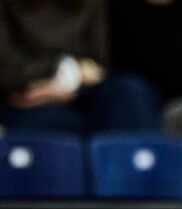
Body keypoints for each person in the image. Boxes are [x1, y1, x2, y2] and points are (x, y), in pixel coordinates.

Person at [0, 0, 160, 133]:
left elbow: (98, 62)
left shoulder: (90, 3)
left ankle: (136, 168)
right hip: (30, 98)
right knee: (54, 124)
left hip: (80, 90)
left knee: (131, 91)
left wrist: (69, 80)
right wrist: (72, 71)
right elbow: (9, 70)